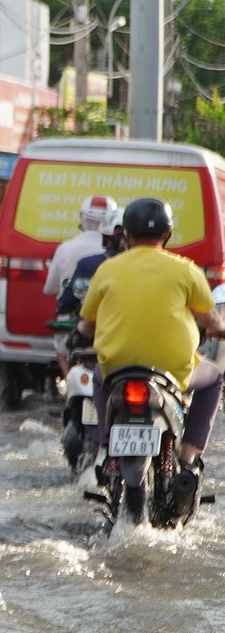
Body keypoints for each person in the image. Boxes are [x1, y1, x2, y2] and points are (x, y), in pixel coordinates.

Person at [78, 197, 225, 495]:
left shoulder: (108, 270)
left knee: (97, 376)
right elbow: (211, 321)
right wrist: (219, 330)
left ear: (126, 235)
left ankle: (107, 447)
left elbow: (87, 324)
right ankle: (188, 455)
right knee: (214, 378)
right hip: (175, 371)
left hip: (116, 368)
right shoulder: (186, 270)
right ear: (167, 236)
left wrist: (85, 331)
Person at [46, 193, 119, 368]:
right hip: (117, 327)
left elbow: (51, 289)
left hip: (81, 322)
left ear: (82, 218)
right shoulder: (124, 257)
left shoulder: (66, 249)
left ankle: (69, 392)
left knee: (62, 349)